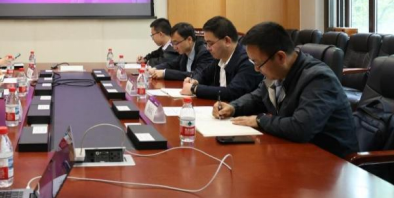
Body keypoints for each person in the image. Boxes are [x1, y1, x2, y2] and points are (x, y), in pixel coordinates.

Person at [213, 21, 359, 158]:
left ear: (280, 57)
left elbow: (301, 128)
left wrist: (260, 120)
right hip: (297, 152)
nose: (256, 69)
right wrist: (233, 107)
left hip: (331, 161)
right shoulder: (279, 71)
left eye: (258, 63)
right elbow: (258, 97)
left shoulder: (319, 79)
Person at [181, 16, 261, 101]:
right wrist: (195, 80)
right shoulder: (220, 58)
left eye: (211, 43)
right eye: (206, 44)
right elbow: (203, 74)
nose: (207, 48)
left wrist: (194, 89)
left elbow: (232, 92)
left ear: (227, 41)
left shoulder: (247, 61)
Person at [149, 22, 213, 80]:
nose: (174, 47)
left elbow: (196, 74)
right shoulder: (184, 53)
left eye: (176, 43)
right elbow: (171, 64)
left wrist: (164, 73)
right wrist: (155, 68)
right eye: (172, 43)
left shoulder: (204, 52)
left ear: (189, 40)